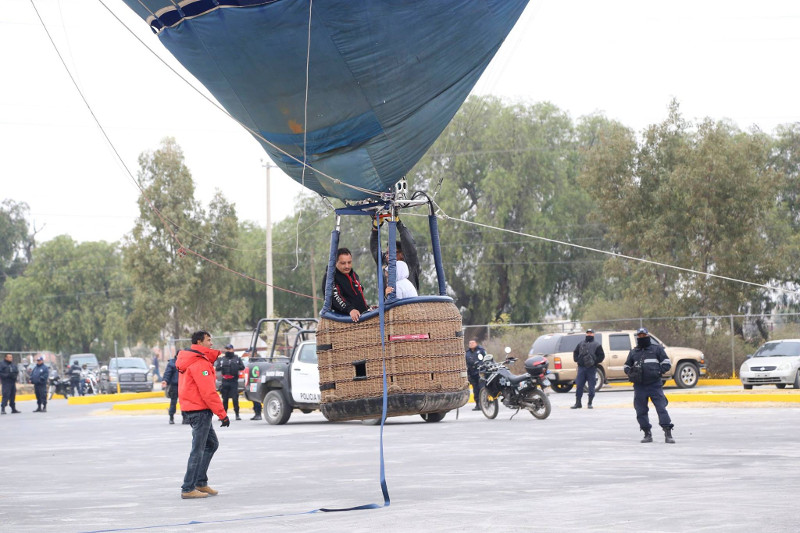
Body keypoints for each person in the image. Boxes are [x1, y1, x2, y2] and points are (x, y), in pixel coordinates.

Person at [176, 330, 230, 499]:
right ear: (199, 342)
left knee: (211, 444)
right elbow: (208, 392)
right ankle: (188, 487)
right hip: (200, 411)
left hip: (194, 409)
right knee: (198, 450)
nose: (211, 343)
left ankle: (200, 482)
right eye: (208, 340)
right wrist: (222, 414)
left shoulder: (191, 359)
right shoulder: (199, 362)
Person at [624, 327, 675, 444]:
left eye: (643, 336)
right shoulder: (633, 352)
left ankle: (668, 433)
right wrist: (630, 373)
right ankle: (647, 433)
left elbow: (667, 363)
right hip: (639, 386)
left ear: (647, 336)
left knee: (661, 408)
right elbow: (626, 366)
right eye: (639, 336)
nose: (642, 337)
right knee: (640, 411)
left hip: (654, 385)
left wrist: (658, 372)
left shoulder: (657, 349)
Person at [370, 216, 420, 290]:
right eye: (387, 253)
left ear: (402, 254)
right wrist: (375, 228)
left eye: (391, 253)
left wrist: (398, 223)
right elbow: (375, 248)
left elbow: (409, 243)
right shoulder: (385, 263)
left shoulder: (410, 263)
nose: (387, 256)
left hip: (408, 301)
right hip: (388, 301)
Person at [321, 247, 369, 322]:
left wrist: (367, 308)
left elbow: (358, 297)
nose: (347, 266)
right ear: (335, 262)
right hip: (345, 322)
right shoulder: (330, 277)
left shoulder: (354, 275)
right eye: (343, 263)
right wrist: (350, 310)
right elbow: (335, 297)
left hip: (361, 319)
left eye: (349, 262)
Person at [571, 329, 606, 410]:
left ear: (593, 334)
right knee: (579, 385)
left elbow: (601, 356)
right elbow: (575, 352)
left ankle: (590, 403)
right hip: (581, 368)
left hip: (591, 369)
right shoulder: (581, 343)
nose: (589, 334)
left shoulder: (597, 345)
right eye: (588, 333)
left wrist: (594, 362)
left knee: (591, 386)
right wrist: (577, 360)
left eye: (591, 333)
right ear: (586, 334)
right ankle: (578, 403)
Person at [215, 344, 245, 421]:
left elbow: (242, 367)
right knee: (225, 399)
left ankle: (237, 415)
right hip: (225, 381)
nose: (228, 350)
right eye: (227, 349)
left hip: (233, 381)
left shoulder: (237, 358)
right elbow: (217, 368)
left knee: (235, 398)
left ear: (232, 349)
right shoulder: (222, 359)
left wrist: (235, 366)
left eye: (229, 349)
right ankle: (224, 415)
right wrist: (222, 366)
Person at [465, 339, 486, 411]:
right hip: (472, 374)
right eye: (470, 343)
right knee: (475, 389)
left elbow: (486, 359)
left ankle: (484, 403)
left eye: (473, 343)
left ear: (476, 343)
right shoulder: (467, 353)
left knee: (482, 388)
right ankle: (477, 404)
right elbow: (466, 363)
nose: (471, 344)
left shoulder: (481, 350)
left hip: (480, 373)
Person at [162, 353, 181, 424]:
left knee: (184, 402)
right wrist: (165, 380)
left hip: (184, 385)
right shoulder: (172, 363)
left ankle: (185, 418)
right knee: (173, 402)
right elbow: (167, 373)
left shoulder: (186, 362)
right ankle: (171, 417)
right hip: (174, 385)